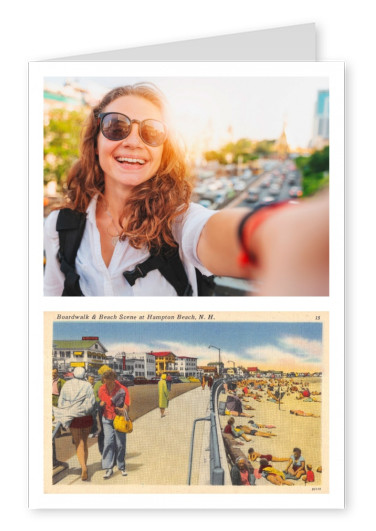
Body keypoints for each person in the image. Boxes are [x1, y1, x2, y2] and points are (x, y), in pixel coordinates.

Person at [44, 83, 329, 298]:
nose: (133, 142)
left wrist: (276, 234)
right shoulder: (60, 227)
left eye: (152, 132)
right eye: (116, 126)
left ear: (163, 151)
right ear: (95, 140)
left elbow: (211, 232)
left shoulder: (177, 222)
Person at [53, 367, 95, 481]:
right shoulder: (87, 385)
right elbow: (91, 403)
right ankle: (84, 467)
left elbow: (61, 402)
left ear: (74, 374)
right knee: (85, 443)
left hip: (73, 418)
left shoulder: (67, 385)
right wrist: (83, 410)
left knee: (78, 443)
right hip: (85, 418)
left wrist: (68, 412)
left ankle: (83, 467)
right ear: (84, 374)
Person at [98, 369, 130, 479]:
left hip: (119, 419)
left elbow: (127, 405)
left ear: (114, 380)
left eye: (109, 382)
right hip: (107, 419)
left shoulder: (123, 389)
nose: (107, 385)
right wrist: (104, 402)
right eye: (105, 382)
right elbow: (105, 401)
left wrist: (122, 409)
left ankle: (121, 466)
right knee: (108, 442)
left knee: (120, 444)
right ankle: (108, 468)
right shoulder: (102, 389)